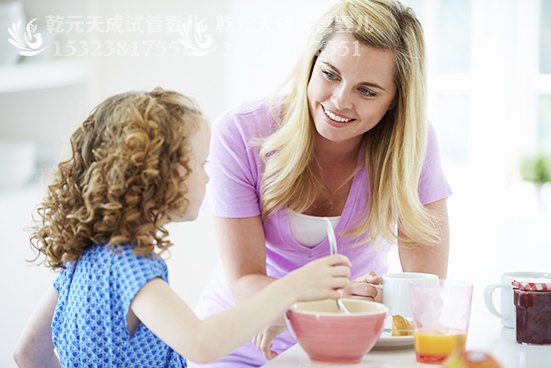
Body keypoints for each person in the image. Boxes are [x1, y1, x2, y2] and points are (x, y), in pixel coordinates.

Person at [189, 0, 452, 367]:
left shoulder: (412, 145)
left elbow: (425, 289)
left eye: (368, 91)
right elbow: (245, 280)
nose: (339, 101)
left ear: (395, 101)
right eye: (330, 74)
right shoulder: (241, 133)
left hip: (353, 345)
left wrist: (363, 301)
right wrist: (320, 300)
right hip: (242, 343)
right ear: (311, 65)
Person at [12, 88, 352, 368]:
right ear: (158, 175)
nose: (207, 177)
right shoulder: (134, 271)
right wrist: (292, 288)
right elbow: (201, 344)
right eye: (200, 164)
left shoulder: (82, 261)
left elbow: (28, 354)